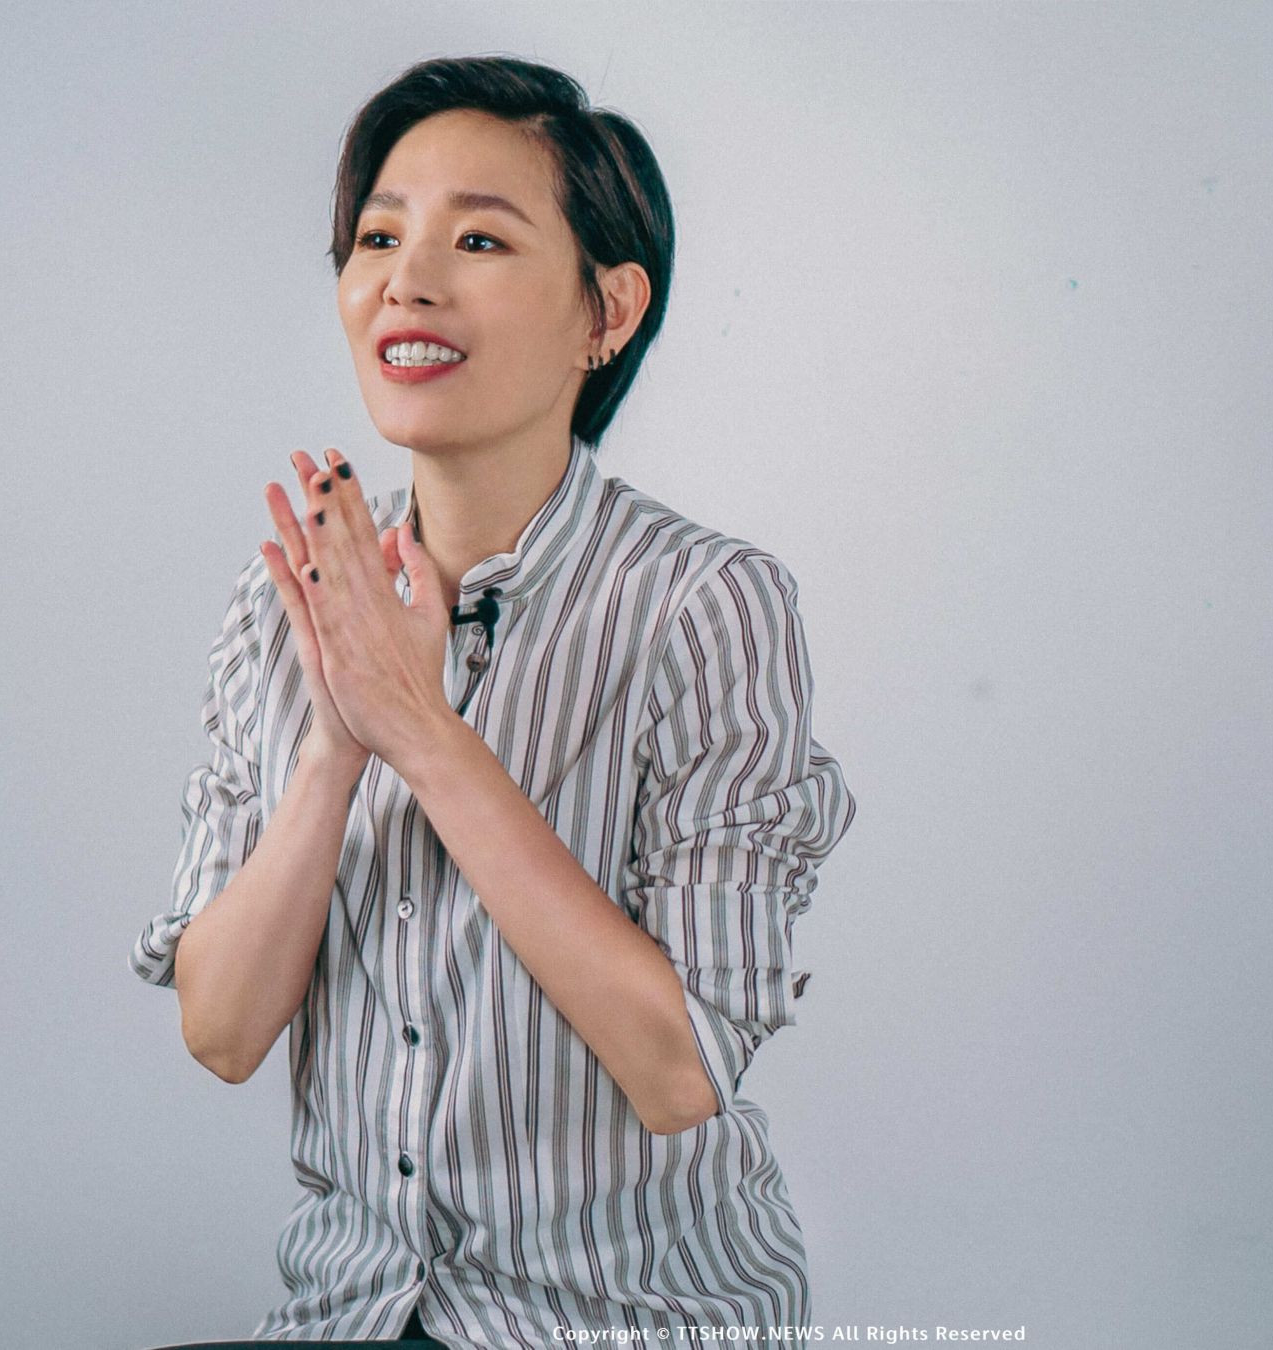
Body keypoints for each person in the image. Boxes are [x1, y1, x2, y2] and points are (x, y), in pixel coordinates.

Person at [129, 56, 857, 1346]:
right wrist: (338, 745)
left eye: (478, 238)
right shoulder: (296, 596)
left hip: (631, 1322)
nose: (407, 281)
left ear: (606, 311)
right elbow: (223, 1030)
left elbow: (681, 1069)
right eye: (378, 237)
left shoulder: (705, 605)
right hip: (356, 1316)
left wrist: (423, 730)